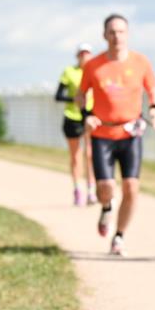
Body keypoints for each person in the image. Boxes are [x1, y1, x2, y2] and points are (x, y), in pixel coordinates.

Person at [78, 15, 155, 257]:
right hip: (102, 133)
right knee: (105, 186)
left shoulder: (140, 62)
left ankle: (119, 236)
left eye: (121, 31)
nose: (117, 36)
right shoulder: (93, 65)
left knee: (131, 187)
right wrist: (86, 115)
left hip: (130, 132)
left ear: (128, 34)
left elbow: (153, 90)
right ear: (104, 35)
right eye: (112, 32)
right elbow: (80, 94)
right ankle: (106, 207)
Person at [55, 43, 97, 206]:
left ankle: (91, 190)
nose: (85, 56)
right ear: (77, 56)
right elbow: (58, 96)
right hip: (72, 116)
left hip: (90, 116)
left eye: (87, 53)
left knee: (90, 155)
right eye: (82, 54)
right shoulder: (69, 72)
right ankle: (77, 189)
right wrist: (76, 99)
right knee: (76, 156)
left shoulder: (95, 72)